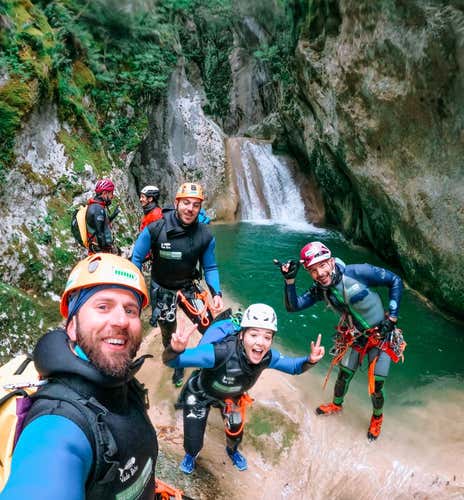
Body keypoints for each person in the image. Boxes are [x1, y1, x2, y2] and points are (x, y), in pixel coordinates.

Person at [1, 253, 158, 499]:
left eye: (130, 310)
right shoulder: (57, 426)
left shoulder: (121, 381)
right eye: (103, 307)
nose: (121, 321)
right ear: (72, 327)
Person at [163, 304, 325, 474]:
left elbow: (294, 367)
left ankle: (232, 451)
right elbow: (171, 361)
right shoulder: (219, 353)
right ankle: (191, 455)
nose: (260, 342)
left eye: (267, 337)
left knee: (235, 434)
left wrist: (310, 360)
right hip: (199, 394)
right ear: (241, 335)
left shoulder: (268, 357)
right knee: (193, 441)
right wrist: (175, 349)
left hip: (231, 398)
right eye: (254, 334)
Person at [278, 241, 404, 440]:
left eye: (322, 265)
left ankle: (377, 417)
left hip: (381, 335)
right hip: (354, 337)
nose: (320, 273)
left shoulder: (358, 272)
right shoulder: (320, 289)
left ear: (331, 261)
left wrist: (393, 317)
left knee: (376, 385)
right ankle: (336, 405)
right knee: (343, 375)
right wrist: (289, 281)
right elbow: (293, 306)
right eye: (313, 270)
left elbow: (395, 280)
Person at [132, 182, 224, 388]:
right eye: (186, 203)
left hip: (189, 287)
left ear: (200, 208)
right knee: (169, 333)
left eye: (195, 205)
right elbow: (136, 258)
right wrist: (134, 290)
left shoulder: (205, 235)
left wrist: (216, 293)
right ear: (176, 203)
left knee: (210, 328)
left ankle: (212, 364)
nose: (190, 209)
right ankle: (177, 363)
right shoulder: (156, 228)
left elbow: (210, 267)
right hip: (162, 289)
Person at [86, 178, 119, 254]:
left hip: (96, 249)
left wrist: (113, 216)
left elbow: (101, 224)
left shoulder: (96, 206)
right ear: (104, 193)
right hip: (99, 251)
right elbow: (100, 233)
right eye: (111, 193)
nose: (112, 196)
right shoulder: (98, 209)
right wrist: (106, 251)